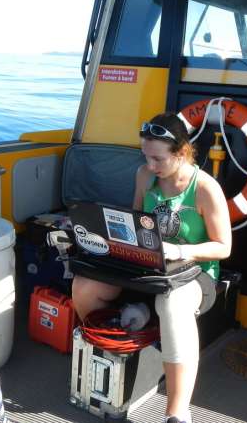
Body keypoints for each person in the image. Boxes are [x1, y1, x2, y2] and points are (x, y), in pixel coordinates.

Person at [72, 113, 232, 423]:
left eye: (158, 158)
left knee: (171, 304)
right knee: (84, 286)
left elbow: (223, 247)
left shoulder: (204, 188)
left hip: (195, 274)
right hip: (148, 267)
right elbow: (133, 223)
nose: (151, 165)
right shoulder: (144, 176)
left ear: (182, 153)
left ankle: (176, 412)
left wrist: (180, 249)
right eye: (146, 156)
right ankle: (110, 354)